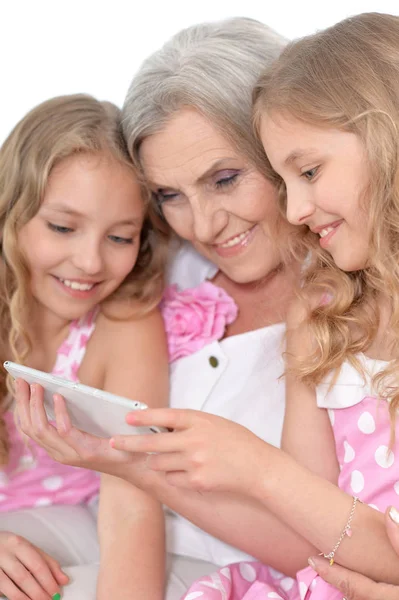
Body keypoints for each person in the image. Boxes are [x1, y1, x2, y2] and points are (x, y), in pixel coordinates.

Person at [14, 14, 398, 600]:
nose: (203, 224)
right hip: (102, 537)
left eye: (224, 179)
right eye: (169, 195)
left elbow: (316, 532)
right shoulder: (139, 260)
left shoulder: (336, 304)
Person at [0, 94, 168, 600]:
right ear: (11, 212)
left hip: (68, 528)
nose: (90, 262)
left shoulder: (125, 326)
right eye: (62, 227)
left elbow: (133, 498)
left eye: (120, 237)